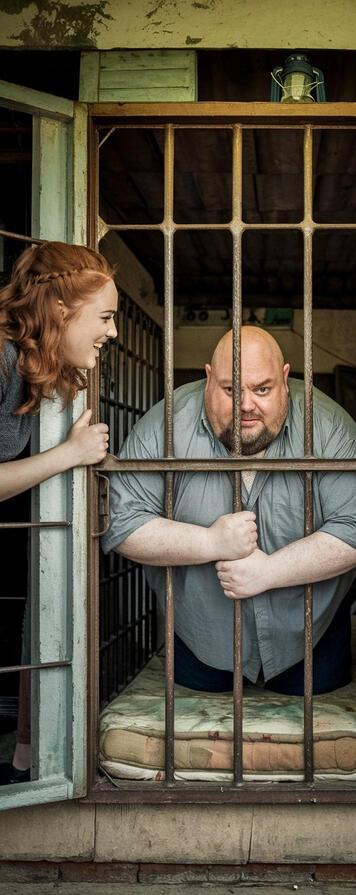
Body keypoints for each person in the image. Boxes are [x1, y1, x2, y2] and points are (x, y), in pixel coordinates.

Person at [101, 326, 356, 696]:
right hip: (201, 635)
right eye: (231, 390)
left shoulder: (327, 423)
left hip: (310, 633)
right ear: (208, 377)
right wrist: (209, 542)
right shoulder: (166, 422)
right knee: (193, 726)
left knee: (310, 721)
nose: (246, 405)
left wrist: (270, 571)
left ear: (285, 378)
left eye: (262, 389)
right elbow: (120, 521)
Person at [0, 240, 118, 785]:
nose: (113, 331)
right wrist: (68, 455)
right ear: (62, 310)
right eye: (106, 317)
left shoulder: (27, 362)